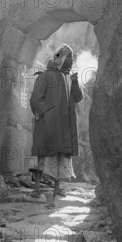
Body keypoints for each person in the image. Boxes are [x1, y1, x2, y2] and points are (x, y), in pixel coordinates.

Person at [29, 44, 83, 199]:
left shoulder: (68, 77)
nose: (73, 60)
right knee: (44, 153)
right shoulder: (45, 75)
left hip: (64, 124)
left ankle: (57, 188)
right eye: (71, 57)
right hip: (48, 124)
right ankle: (37, 188)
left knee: (61, 154)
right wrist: (47, 112)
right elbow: (35, 99)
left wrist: (75, 83)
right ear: (63, 57)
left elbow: (77, 98)